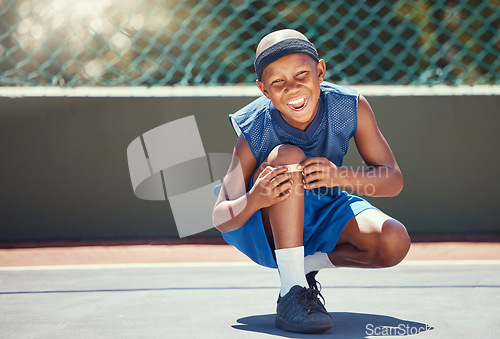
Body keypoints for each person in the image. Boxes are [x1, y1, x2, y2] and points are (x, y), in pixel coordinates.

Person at [212, 29, 411, 334]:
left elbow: (393, 179)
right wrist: (256, 198)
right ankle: (291, 290)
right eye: (277, 82)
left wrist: (341, 176)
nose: (292, 88)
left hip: (326, 208)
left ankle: (304, 267)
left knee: (394, 241)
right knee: (287, 155)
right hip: (266, 225)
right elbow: (221, 216)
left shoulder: (350, 107)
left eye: (302, 74)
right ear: (264, 90)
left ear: (320, 71)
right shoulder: (255, 129)